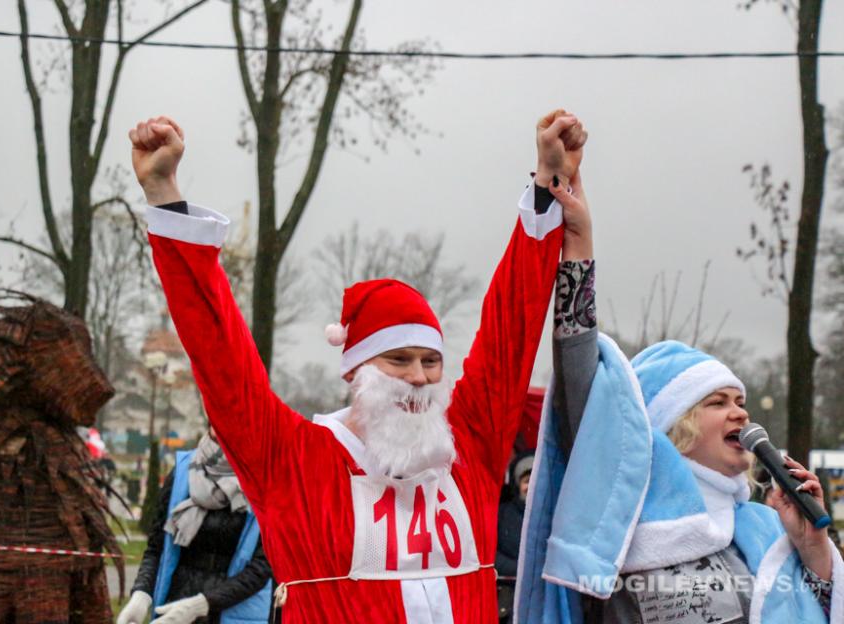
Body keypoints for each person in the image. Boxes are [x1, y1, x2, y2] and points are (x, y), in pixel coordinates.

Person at [127, 109, 586, 623]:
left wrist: (550, 181)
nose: (419, 376)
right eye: (399, 360)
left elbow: (512, 328)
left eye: (431, 362)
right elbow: (220, 358)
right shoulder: (293, 458)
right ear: (355, 373)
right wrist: (165, 195)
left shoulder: (467, 446)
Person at [514, 166, 844, 623]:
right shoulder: (621, 513)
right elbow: (580, 377)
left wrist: (814, 549)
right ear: (674, 422)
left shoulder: (763, 529)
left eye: (740, 402)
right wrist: (579, 241)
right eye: (717, 402)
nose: (740, 414)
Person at [117, 430, 272, 624]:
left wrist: (200, 605)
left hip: (231, 613)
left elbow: (262, 568)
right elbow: (157, 548)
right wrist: (141, 594)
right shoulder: (184, 470)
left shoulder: (266, 479)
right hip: (174, 611)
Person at [496, 450, 536, 623]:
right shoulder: (502, 514)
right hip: (508, 597)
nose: (532, 486)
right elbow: (490, 554)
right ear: (517, 484)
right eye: (527, 481)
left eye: (536, 480)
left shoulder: (556, 514)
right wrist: (524, 569)